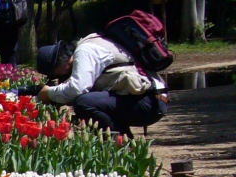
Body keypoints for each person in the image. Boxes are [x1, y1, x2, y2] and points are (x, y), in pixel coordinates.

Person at [35, 36, 168, 136]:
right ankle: (125, 143)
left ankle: (119, 145)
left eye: (55, 74)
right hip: (152, 98)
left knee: (84, 103)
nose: (58, 78)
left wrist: (48, 93)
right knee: (90, 101)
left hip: (149, 102)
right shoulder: (93, 41)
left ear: (60, 62)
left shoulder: (84, 51)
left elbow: (78, 88)